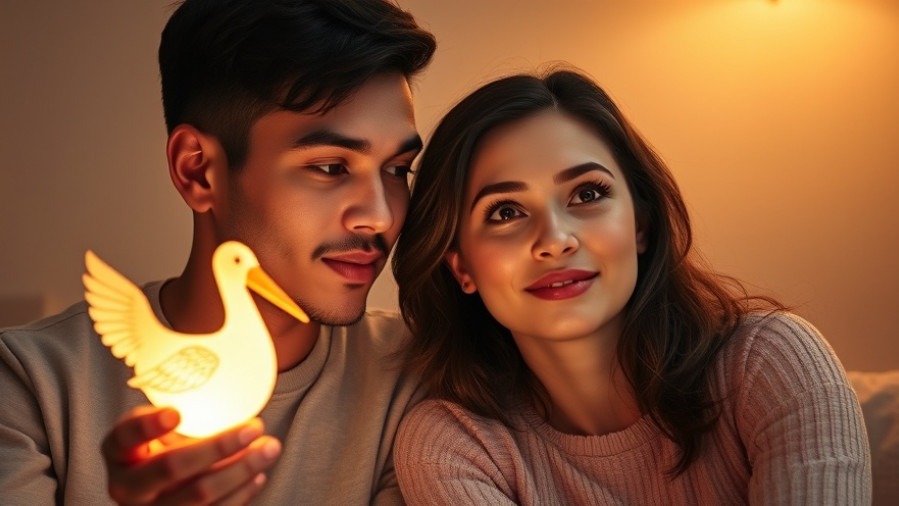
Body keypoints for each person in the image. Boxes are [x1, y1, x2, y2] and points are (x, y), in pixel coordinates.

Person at [0, 0, 435, 503]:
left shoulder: (417, 374)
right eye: (331, 167)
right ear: (198, 171)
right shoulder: (30, 385)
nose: (380, 217)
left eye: (398, 169)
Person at [391, 68, 871, 504]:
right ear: (461, 268)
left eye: (587, 194)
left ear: (640, 223)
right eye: (506, 212)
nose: (555, 241)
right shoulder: (452, 448)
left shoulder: (771, 362)